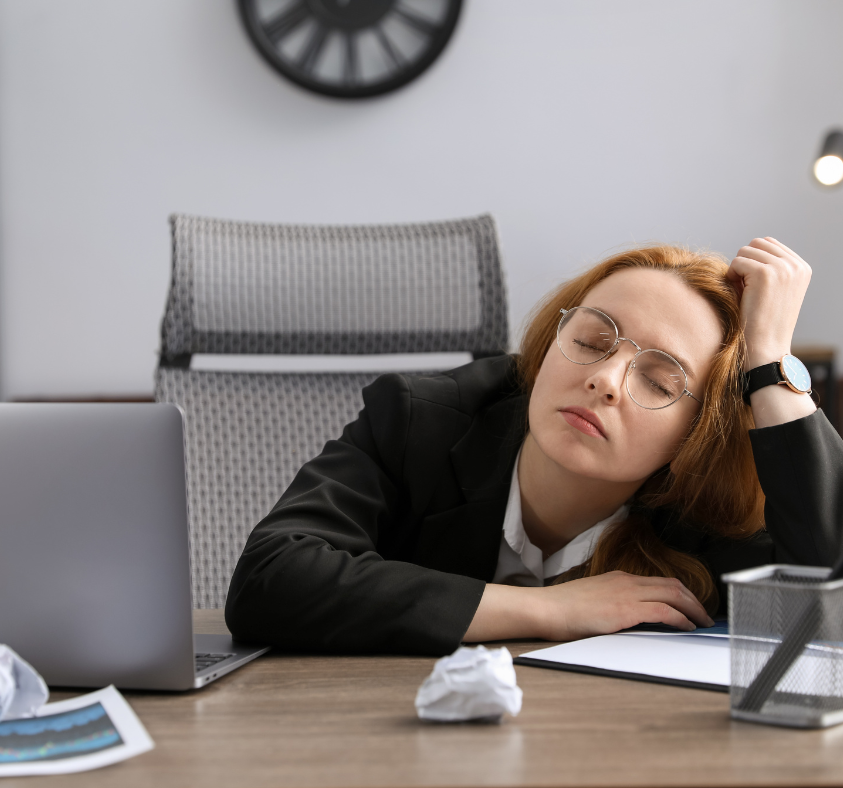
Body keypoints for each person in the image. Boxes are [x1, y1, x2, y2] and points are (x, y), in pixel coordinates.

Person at [225, 238, 843, 655]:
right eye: (594, 340)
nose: (605, 379)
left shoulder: (703, 511)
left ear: (695, 435)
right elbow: (269, 579)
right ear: (550, 340)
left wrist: (770, 364)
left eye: (659, 380)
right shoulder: (421, 419)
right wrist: (554, 611)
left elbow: (830, 599)